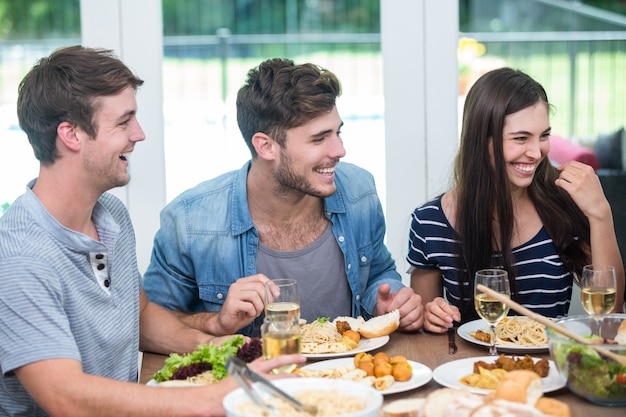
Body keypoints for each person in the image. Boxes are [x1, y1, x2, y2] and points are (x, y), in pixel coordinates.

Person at [0, 45, 304, 417]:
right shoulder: (20, 256)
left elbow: (137, 314)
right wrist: (211, 398)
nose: (139, 134)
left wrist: (218, 339)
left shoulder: (110, 215)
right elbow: (66, 397)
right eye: (124, 121)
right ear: (72, 135)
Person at [143, 58, 423, 337]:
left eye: (338, 132)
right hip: (249, 380)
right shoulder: (190, 221)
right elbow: (149, 322)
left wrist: (388, 299)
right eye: (319, 138)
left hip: (348, 377)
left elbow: (378, 273)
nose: (340, 150)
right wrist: (216, 323)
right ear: (266, 146)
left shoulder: (359, 191)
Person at [406, 67, 625, 333]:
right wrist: (431, 317)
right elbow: (424, 325)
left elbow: (610, 319)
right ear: (480, 141)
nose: (536, 152)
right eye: (521, 138)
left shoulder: (565, 204)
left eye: (544, 136)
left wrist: (601, 213)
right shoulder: (430, 222)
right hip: (468, 371)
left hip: (549, 368)